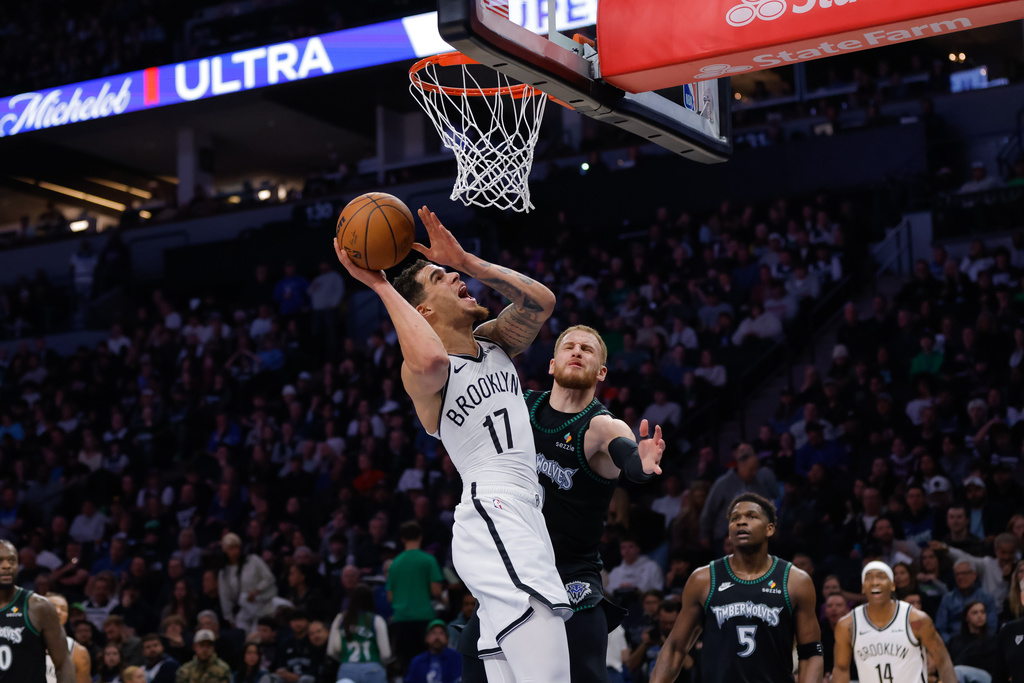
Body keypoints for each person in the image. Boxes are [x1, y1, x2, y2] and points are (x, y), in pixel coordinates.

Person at [333, 207, 571, 682]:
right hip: (494, 508)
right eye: (440, 278)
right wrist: (380, 285)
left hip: (524, 512)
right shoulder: (424, 374)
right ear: (422, 311)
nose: (456, 278)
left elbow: (541, 303)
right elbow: (429, 361)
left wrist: (467, 261)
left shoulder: (494, 341)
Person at [460, 324, 666, 683]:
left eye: (588, 349)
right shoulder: (519, 405)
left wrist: (643, 465)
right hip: (512, 570)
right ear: (552, 364)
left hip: (569, 573)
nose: (577, 351)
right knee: (473, 662)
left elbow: (629, 459)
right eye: (569, 346)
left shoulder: (603, 427)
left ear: (601, 372)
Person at [649, 493, 823, 683]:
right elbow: (675, 648)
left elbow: (811, 653)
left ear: (770, 529)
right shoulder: (703, 579)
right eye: (735, 518)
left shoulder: (795, 581)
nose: (741, 522)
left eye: (751, 516)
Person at [831, 561, 958, 683]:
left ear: (892, 585)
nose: (875, 582)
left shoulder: (916, 620)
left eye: (881, 577)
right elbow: (841, 669)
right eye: (869, 578)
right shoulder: (847, 625)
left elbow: (942, 660)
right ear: (863, 587)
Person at [0, 542, 74, 682]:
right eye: (0, 561)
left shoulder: (39, 607)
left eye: (12, 561)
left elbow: (63, 663)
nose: (7, 566)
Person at [386, 522, 443, 671]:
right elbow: (436, 591)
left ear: (402, 539)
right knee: (425, 664)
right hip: (423, 617)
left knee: (406, 666)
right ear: (420, 537)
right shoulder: (428, 560)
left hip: (401, 619)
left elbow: (390, 597)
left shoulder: (395, 563)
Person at [327, 584, 390, 683]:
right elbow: (386, 654)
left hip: (347, 669)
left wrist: (345, 661)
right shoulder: (376, 619)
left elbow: (331, 651)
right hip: (373, 668)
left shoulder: (340, 619)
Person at [217, 534, 277, 633]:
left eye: (237, 547)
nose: (235, 551)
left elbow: (269, 578)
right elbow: (225, 597)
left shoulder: (253, 560)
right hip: (243, 609)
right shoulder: (224, 573)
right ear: (225, 550)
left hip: (261, 603)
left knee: (257, 632)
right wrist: (230, 619)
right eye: (231, 548)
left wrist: (256, 591)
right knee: (242, 632)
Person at [44, 593, 91, 683]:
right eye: (53, 606)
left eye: (63, 609)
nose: (58, 611)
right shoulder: (23, 642)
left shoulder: (78, 652)